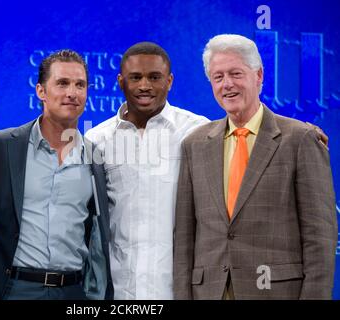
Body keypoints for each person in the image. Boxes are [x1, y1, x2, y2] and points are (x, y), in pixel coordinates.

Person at [173, 34, 337, 300]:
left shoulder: (300, 139)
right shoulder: (194, 145)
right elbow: (184, 240)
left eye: (236, 73)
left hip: (277, 291)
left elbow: (320, 238)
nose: (227, 84)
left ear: (259, 75)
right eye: (218, 77)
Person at [0, 50, 113, 300]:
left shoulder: (97, 159)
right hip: (14, 289)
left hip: (74, 291)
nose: (72, 93)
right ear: (41, 91)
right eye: (62, 83)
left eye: (80, 85)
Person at [85, 42, 210, 299]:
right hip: (117, 290)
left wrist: (304, 135)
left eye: (154, 77)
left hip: (178, 289)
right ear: (121, 81)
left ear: (170, 81)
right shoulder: (96, 139)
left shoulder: (198, 131)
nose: (145, 85)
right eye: (135, 77)